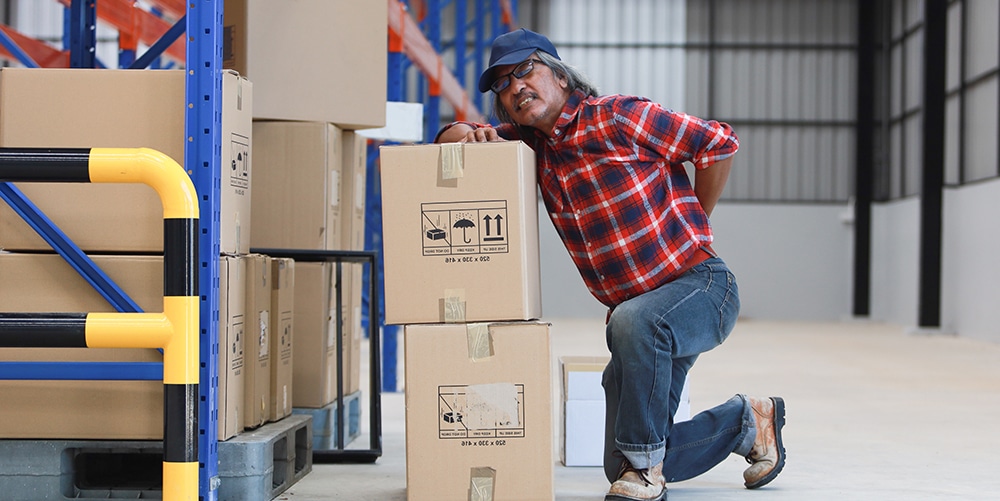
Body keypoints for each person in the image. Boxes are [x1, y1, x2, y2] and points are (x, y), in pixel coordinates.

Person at [435, 28, 786, 501]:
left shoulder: (617, 116)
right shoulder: (532, 147)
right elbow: (447, 139)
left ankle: (645, 473)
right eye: (501, 84)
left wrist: (697, 220)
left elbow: (718, 143)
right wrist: (463, 133)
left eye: (524, 70)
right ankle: (747, 421)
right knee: (621, 458)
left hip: (701, 287)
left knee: (633, 329)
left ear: (559, 75)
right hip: (641, 318)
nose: (515, 87)